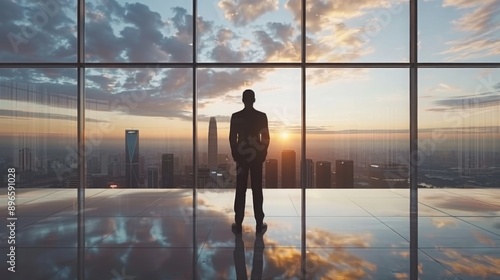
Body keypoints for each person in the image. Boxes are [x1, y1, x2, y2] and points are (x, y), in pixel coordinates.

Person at [229, 89, 270, 234]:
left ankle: (238, 221)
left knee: (240, 189)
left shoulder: (236, 116)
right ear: (254, 100)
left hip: (241, 157)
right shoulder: (261, 116)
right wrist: (262, 154)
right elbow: (265, 138)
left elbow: (233, 138)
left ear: (242, 100)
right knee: (257, 189)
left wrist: (236, 155)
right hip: (256, 157)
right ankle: (259, 222)